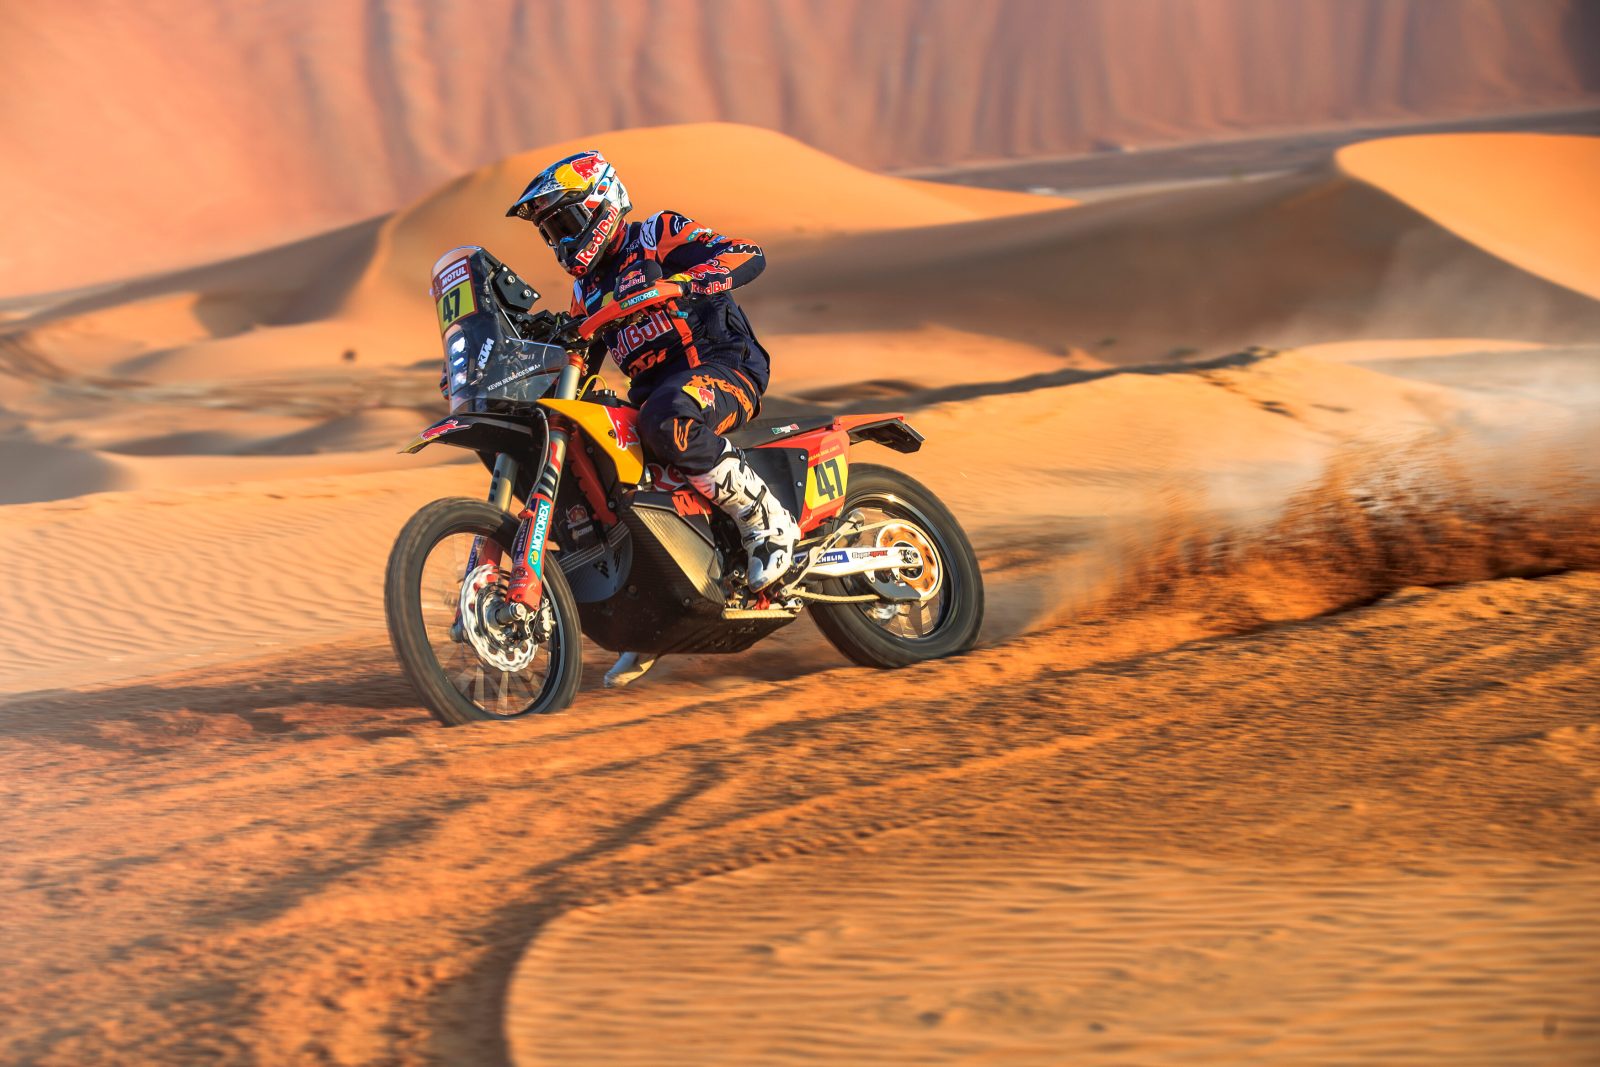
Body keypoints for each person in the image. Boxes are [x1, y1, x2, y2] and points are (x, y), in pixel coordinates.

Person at [506, 150, 800, 595]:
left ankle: (768, 521)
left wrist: (682, 282)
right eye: (550, 233)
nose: (560, 241)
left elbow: (745, 254)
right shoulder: (585, 292)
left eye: (564, 224)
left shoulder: (656, 234)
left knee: (666, 417)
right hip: (658, 399)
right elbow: (577, 367)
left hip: (724, 366)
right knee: (600, 446)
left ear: (601, 204)